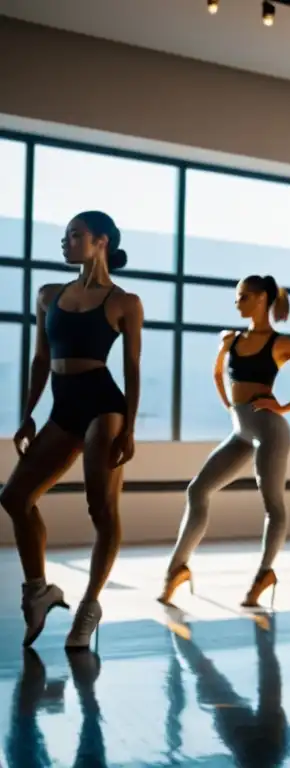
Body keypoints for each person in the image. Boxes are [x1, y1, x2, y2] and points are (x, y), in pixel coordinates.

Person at [1, 211, 142, 651]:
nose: (65, 243)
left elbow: (132, 368)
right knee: (14, 497)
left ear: (100, 242)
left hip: (105, 406)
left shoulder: (124, 302)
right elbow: (41, 360)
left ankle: (89, 606)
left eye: (75, 236)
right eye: (64, 237)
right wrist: (27, 415)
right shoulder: (48, 295)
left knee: (100, 508)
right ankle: (38, 589)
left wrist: (130, 429)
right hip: (63, 408)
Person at [158, 275, 290, 608]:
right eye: (237, 296)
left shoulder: (281, 343)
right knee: (197, 490)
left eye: (244, 296)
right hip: (241, 432)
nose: (237, 302)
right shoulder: (232, 339)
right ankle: (177, 568)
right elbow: (218, 373)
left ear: (263, 298)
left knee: (273, 505)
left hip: (270, 432)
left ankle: (263, 574)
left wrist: (282, 406)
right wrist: (228, 404)